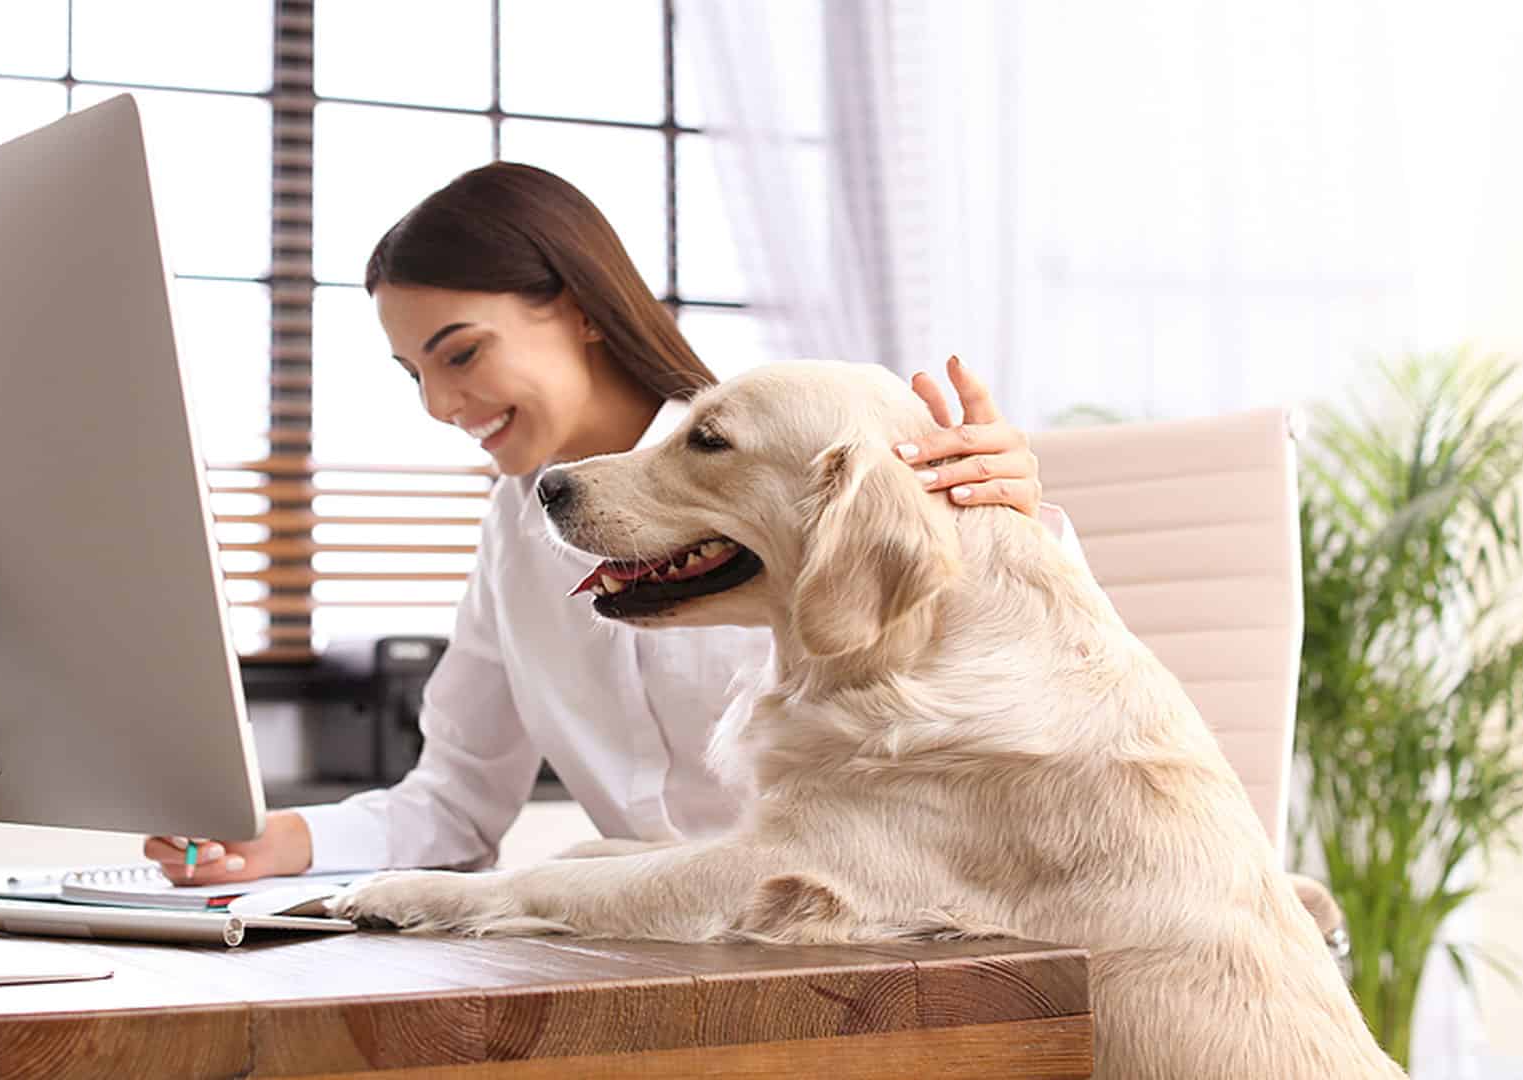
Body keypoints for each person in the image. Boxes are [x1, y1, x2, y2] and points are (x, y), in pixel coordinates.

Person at [144, 162, 1085, 883]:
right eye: (414, 375)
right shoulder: (519, 529)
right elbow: (455, 804)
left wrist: (1003, 518)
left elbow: (1030, 709)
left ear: (581, 310)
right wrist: (277, 842)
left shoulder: (799, 453)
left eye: (461, 353)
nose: (440, 404)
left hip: (846, 939)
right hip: (651, 951)